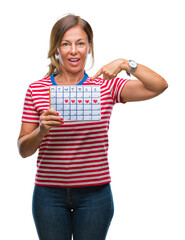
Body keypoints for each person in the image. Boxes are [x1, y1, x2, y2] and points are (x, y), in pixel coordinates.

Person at [17, 14, 168, 240]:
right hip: (48, 195)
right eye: (66, 44)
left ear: (89, 47)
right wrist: (41, 131)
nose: (74, 51)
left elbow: (159, 86)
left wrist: (126, 63)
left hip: (95, 195)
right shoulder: (36, 90)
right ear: (56, 49)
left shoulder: (105, 86)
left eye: (80, 43)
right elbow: (23, 150)